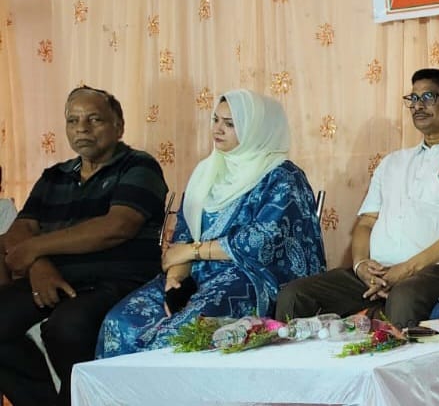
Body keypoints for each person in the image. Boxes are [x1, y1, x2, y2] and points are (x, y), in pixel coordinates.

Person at [96, 90, 325, 357]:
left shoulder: (282, 176)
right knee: (118, 323)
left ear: (256, 129)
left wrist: (193, 252)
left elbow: (260, 240)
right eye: (215, 120)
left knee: (178, 333)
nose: (217, 129)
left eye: (230, 124)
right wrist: (175, 280)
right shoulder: (208, 171)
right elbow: (183, 233)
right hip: (195, 275)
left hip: (248, 277)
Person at [275, 69, 439, 328]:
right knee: (295, 295)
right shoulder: (393, 162)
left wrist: (406, 269)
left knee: (405, 296)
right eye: (413, 98)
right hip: (380, 271)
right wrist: (361, 265)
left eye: (428, 97)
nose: (418, 105)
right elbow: (366, 222)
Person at [0, 87, 167, 406]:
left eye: (94, 119)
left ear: (119, 126)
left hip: (118, 281)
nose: (82, 129)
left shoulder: (139, 166)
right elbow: (21, 230)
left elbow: (116, 227)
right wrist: (39, 265)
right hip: (56, 279)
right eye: (73, 121)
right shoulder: (55, 176)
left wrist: (35, 249)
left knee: (66, 328)